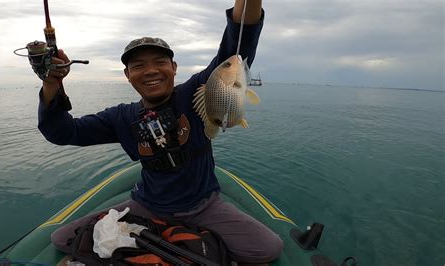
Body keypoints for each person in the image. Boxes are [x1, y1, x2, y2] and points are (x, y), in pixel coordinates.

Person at [38, 0, 282, 264]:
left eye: (160, 62)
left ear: (174, 68)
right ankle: (169, 237)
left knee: (268, 248)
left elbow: (237, 46)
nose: (151, 70)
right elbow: (62, 132)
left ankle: (167, 238)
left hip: (204, 207)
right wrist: (52, 84)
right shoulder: (121, 117)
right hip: (147, 206)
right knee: (62, 239)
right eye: (139, 65)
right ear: (127, 74)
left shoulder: (194, 93)